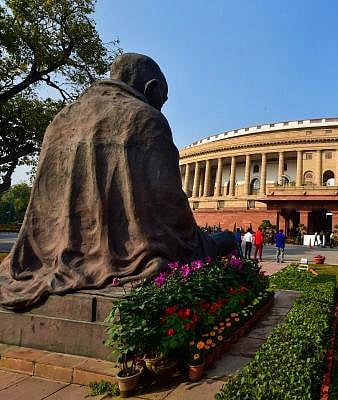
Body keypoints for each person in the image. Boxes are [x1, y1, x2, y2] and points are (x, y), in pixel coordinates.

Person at [0, 53, 236, 310]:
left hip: (45, 255)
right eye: (162, 99)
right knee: (225, 241)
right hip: (134, 253)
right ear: (152, 88)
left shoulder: (61, 118)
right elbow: (169, 204)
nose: (161, 106)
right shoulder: (146, 117)